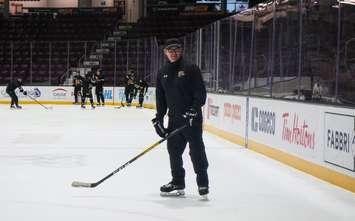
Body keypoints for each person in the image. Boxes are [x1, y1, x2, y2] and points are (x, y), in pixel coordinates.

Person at [152, 38, 209, 198]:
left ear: (181, 50)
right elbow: (160, 99)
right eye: (170, 50)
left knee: (196, 150)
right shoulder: (162, 72)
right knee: (174, 151)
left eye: (176, 49)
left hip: (191, 119)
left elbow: (200, 92)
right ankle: (178, 182)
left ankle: (203, 183)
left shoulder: (191, 68)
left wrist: (194, 109)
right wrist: (159, 118)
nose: (173, 53)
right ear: (165, 53)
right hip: (174, 119)